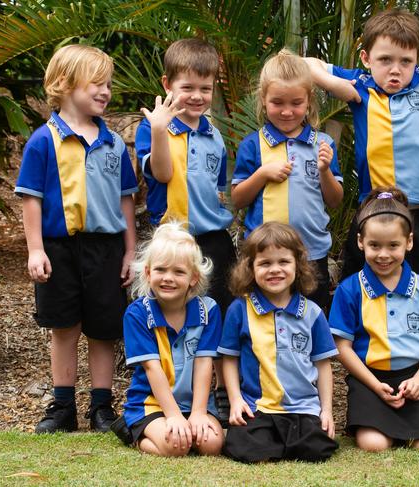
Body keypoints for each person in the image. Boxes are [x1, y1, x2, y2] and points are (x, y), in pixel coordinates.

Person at [304, 7, 419, 308]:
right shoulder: (360, 84)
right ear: (366, 58)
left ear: (417, 60)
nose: (395, 70)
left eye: (406, 61)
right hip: (373, 208)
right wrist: (335, 84)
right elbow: (306, 64)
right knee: (363, 292)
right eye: (385, 60)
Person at [15, 44, 138, 433]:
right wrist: (36, 249)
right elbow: (31, 198)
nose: (106, 91)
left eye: (108, 84)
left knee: (104, 328)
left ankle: (102, 406)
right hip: (58, 247)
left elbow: (126, 201)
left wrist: (130, 251)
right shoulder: (43, 141)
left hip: (106, 248)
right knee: (64, 326)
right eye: (96, 84)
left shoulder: (114, 144)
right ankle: (62, 406)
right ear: (65, 85)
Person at [134, 38, 236, 424]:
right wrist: (160, 130)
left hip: (213, 237)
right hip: (172, 238)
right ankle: (160, 390)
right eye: (187, 87)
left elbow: (218, 187)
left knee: (222, 313)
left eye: (205, 88)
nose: (196, 96)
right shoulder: (154, 127)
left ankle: (223, 393)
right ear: (167, 84)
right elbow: (160, 173)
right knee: (168, 312)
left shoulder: (214, 134)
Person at [329, 187, 419, 452]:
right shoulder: (350, 290)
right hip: (370, 379)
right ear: (360, 242)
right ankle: (377, 422)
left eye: (393, 245)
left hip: (415, 377)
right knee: (373, 444)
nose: (383, 255)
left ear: (409, 242)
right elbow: (343, 348)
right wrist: (375, 385)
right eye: (374, 245)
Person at [231, 49, 344, 313]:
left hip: (312, 251)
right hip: (265, 255)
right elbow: (237, 199)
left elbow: (335, 200)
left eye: (296, 103)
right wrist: (262, 175)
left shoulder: (323, 143)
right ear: (263, 99)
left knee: (312, 315)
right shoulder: (253, 145)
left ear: (309, 100)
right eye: (277, 103)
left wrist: (325, 170)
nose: (286, 111)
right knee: (265, 316)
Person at [218, 222, 339, 463]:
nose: (275, 270)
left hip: (303, 408)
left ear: (298, 265)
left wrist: (326, 411)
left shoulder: (312, 312)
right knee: (244, 448)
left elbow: (323, 366)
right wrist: (235, 401)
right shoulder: (240, 310)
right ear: (250, 268)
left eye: (283, 262)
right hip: (257, 407)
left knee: (317, 450)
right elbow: (229, 359)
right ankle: (270, 442)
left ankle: (284, 442)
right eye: (265, 263)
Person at [118, 223, 224, 456]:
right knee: (176, 447)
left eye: (179, 272)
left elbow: (204, 364)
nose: (168, 278)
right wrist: (174, 416)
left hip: (193, 403)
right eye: (161, 270)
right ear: (148, 273)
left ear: (194, 277)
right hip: (152, 404)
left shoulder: (209, 311)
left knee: (212, 445)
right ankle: (134, 433)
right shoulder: (138, 314)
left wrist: (197, 412)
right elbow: (152, 369)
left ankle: (187, 421)